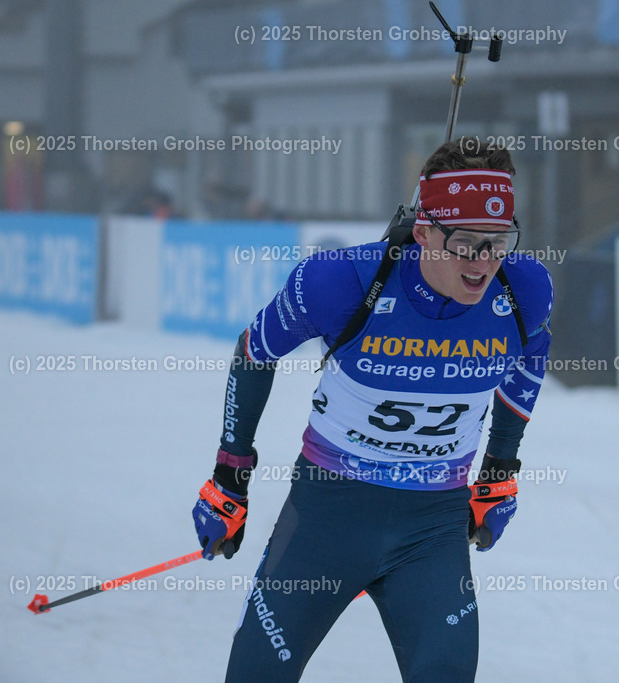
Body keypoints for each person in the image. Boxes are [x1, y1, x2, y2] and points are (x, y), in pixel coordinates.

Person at [191, 137, 553, 682]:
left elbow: (530, 359)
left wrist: (499, 472)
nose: (484, 261)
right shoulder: (341, 281)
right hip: (326, 521)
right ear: (425, 231)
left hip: (432, 532)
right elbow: (254, 351)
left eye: (499, 240)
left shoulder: (523, 289)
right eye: (467, 243)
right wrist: (230, 475)